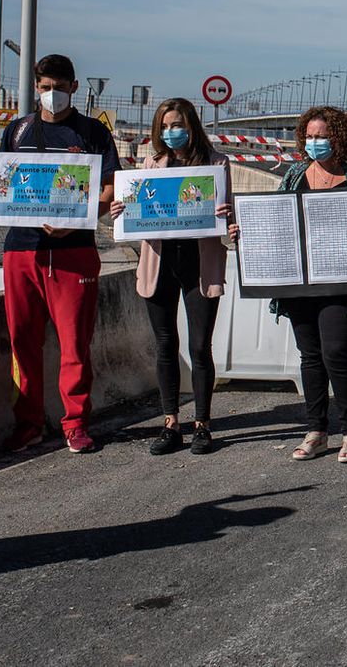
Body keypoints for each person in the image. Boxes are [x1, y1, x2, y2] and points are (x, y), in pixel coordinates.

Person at [0, 54, 119, 454]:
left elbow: (109, 190)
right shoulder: (17, 130)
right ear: (36, 87)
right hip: (21, 251)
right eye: (44, 87)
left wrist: (78, 220)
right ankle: (28, 423)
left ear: (73, 87)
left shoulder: (93, 133)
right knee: (23, 342)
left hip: (74, 253)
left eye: (58, 86)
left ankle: (75, 423)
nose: (51, 94)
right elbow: (0, 183)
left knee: (75, 344)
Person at [234, 106, 347, 464]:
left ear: (340, 139)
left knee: (337, 353)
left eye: (323, 136)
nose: (316, 142)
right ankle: (316, 430)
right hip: (300, 283)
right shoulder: (294, 176)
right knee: (311, 356)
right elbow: (275, 223)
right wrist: (244, 232)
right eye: (311, 136)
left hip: (340, 285)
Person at [110, 98, 233, 456]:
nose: (170, 132)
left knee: (199, 347)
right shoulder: (151, 164)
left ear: (191, 125)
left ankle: (203, 425)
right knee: (166, 346)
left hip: (199, 264)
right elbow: (138, 217)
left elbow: (231, 221)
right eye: (164, 127)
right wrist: (121, 211)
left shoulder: (216, 164)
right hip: (159, 265)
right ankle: (170, 424)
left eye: (176, 125)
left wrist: (226, 215)